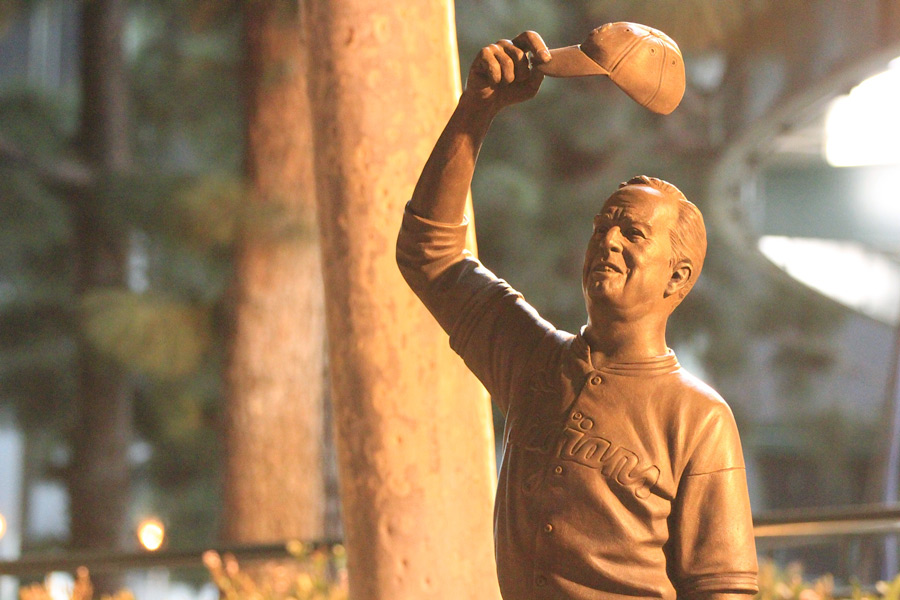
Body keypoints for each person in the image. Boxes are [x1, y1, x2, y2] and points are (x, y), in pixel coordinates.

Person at [396, 29, 758, 600]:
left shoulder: (698, 418)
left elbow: (723, 590)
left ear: (678, 278)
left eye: (633, 232)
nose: (608, 240)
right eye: (602, 225)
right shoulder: (534, 361)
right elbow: (430, 254)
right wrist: (477, 110)